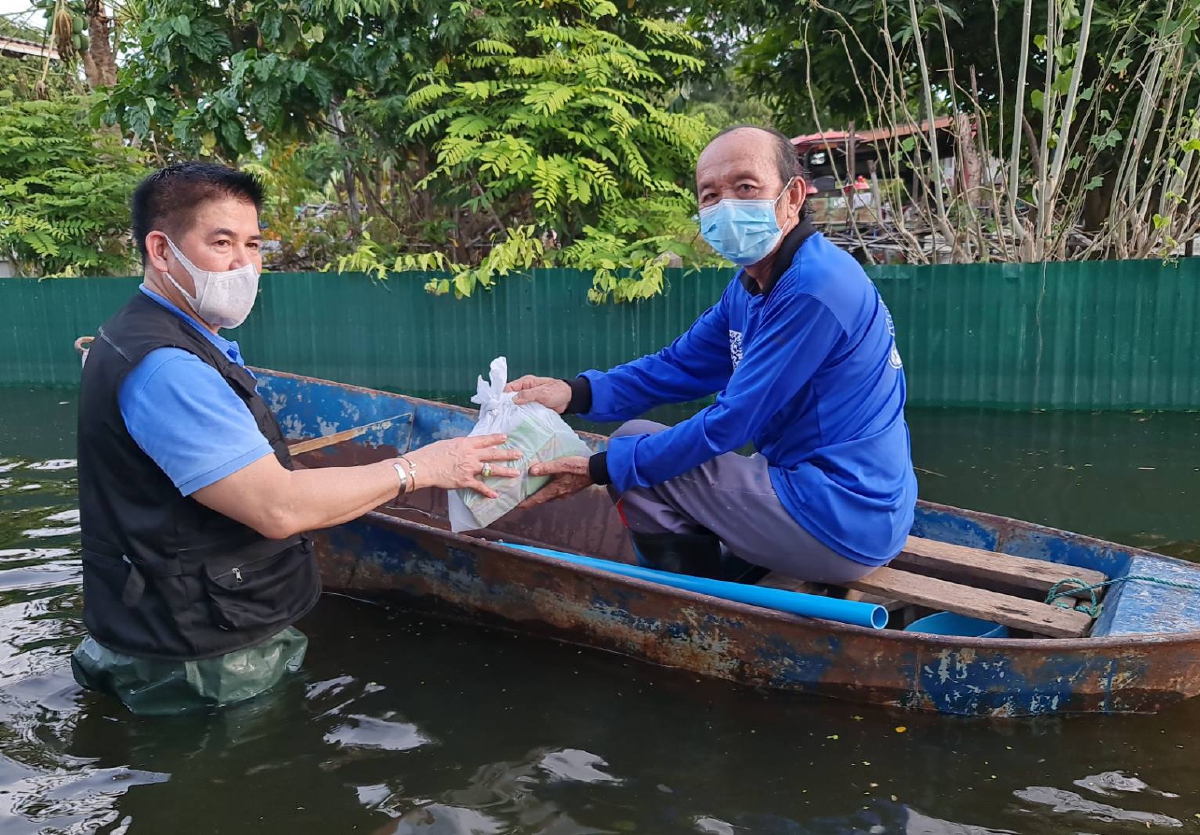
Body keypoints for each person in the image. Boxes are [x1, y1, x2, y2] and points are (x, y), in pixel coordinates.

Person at [74, 162, 520, 715]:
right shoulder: (169, 367)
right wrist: (420, 468)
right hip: (201, 659)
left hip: (158, 622)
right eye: (221, 243)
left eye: (254, 244)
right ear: (161, 250)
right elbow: (278, 509)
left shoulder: (135, 335)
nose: (244, 265)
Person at [508, 125, 917, 585]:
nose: (726, 207)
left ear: (793, 196)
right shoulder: (752, 286)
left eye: (745, 187)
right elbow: (679, 366)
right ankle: (728, 568)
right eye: (709, 195)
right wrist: (574, 392)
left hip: (846, 514)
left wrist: (598, 468)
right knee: (638, 440)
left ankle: (700, 602)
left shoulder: (815, 289)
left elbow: (729, 423)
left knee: (634, 463)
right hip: (824, 489)